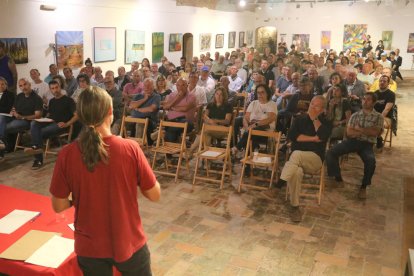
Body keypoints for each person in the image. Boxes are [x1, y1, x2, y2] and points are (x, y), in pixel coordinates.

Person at [49, 86, 160, 275]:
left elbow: (59, 205)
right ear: (110, 112)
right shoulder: (130, 148)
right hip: (128, 239)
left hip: (90, 246)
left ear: (80, 115)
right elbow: (154, 194)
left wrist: (78, 198)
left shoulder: (67, 154)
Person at [263, 96, 332, 222]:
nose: (312, 107)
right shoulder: (299, 119)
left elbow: (322, 135)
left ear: (322, 109)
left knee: (296, 155)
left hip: (314, 159)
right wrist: (314, 139)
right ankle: (295, 207)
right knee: (296, 171)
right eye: (311, 104)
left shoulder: (326, 122)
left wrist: (315, 120)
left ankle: (278, 187)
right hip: (296, 161)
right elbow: (293, 137)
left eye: (316, 106)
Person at [326, 93, 383, 199]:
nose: (365, 101)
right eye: (364, 99)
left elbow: (376, 132)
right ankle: (338, 178)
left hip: (367, 144)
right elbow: (349, 133)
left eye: (368, 100)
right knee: (330, 152)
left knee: (371, 161)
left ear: (374, 102)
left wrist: (359, 129)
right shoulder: (355, 115)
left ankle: (363, 187)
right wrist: (366, 131)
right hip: (352, 141)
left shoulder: (378, 117)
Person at [24, 80, 77, 169]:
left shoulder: (69, 100)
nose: (55, 90)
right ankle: (37, 147)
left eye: (57, 87)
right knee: (34, 123)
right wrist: (42, 119)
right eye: (52, 88)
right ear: (50, 90)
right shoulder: (51, 101)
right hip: (50, 122)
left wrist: (67, 124)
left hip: (60, 125)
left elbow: (77, 115)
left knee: (38, 132)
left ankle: (38, 158)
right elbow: (49, 114)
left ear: (60, 87)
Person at [231, 84, 277, 158]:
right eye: (258, 93)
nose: (260, 94)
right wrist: (247, 127)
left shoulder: (272, 104)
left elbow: (270, 119)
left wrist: (255, 124)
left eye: (262, 92)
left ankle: (237, 148)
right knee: (238, 121)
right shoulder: (253, 103)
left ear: (267, 93)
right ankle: (235, 146)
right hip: (251, 129)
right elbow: (246, 118)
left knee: (251, 134)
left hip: (265, 130)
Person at [188, 86, 232, 156]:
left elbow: (227, 121)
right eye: (217, 94)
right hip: (210, 128)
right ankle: (206, 158)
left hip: (222, 129)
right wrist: (210, 121)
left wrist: (215, 121)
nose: (218, 96)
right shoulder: (210, 105)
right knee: (206, 134)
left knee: (204, 131)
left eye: (221, 95)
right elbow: (205, 116)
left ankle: (191, 150)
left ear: (224, 96)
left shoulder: (228, 105)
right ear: (214, 95)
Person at [129, 78, 161, 146]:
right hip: (133, 120)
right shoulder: (138, 96)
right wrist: (144, 99)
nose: (147, 87)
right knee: (119, 122)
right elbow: (131, 106)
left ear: (153, 86)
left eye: (149, 85)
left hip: (149, 121)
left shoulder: (156, 96)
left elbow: (151, 109)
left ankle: (137, 147)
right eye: (145, 85)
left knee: (139, 123)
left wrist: (138, 109)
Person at [373, 75, 395, 149]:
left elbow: (387, 109)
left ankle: (378, 138)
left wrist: (378, 118)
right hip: (374, 116)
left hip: (386, 117)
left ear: (388, 83)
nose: (382, 82)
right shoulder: (375, 93)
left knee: (378, 123)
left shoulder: (391, 94)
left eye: (384, 81)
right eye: (380, 81)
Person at [0, 77, 15, 155]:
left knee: (1, 118)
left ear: (6, 85)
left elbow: (8, 108)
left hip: (7, 116)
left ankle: (1, 142)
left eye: (3, 84)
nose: (1, 86)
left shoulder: (10, 94)